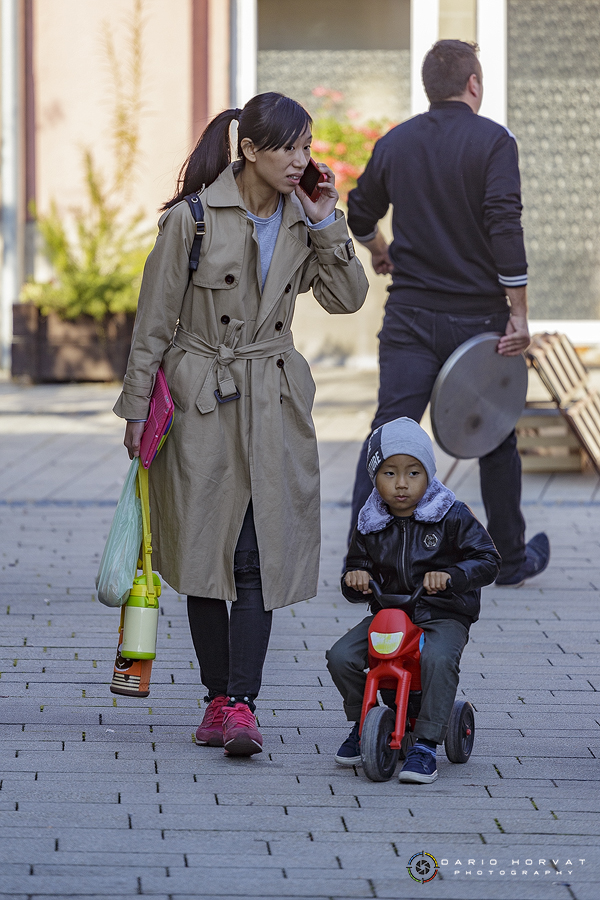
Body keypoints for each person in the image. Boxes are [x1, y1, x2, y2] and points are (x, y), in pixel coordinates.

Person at [114, 92, 368, 756]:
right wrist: (137, 410)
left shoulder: (300, 217)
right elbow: (153, 324)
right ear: (249, 150)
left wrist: (326, 220)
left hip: (273, 401)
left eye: (307, 147)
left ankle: (239, 704)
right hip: (202, 399)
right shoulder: (193, 220)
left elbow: (348, 298)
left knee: (258, 553)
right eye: (289, 147)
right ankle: (216, 699)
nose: (302, 160)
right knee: (205, 554)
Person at [346, 40, 549, 587]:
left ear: (428, 87)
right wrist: (520, 314)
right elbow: (505, 226)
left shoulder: (396, 142)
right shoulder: (494, 142)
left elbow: (358, 211)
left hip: (410, 316)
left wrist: (378, 248)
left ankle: (359, 565)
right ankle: (506, 558)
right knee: (496, 435)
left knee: (388, 433)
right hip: (478, 322)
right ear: (475, 84)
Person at [326, 417, 500, 783]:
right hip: (391, 613)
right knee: (341, 656)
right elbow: (356, 568)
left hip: (443, 613)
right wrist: (355, 578)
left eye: (413, 473)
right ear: (374, 476)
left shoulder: (451, 514)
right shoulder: (370, 521)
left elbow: (488, 559)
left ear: (429, 474)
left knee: (437, 658)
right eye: (389, 473)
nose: (401, 483)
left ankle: (425, 742)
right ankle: (365, 721)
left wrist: (452, 577)